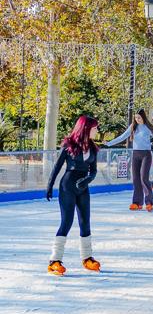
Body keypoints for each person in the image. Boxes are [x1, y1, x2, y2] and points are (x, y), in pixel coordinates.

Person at [46, 115, 101, 276]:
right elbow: (57, 167)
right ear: (86, 128)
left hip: (83, 188)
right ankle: (54, 260)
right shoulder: (68, 144)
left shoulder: (93, 148)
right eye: (94, 128)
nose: (97, 130)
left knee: (85, 222)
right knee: (67, 222)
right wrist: (49, 186)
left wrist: (88, 179)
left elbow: (94, 170)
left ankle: (87, 258)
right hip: (67, 187)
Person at [106, 108, 153, 211]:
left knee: (144, 178)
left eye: (139, 117)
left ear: (143, 117)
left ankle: (149, 202)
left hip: (146, 155)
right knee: (135, 179)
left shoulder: (148, 127)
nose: (137, 119)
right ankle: (137, 202)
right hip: (135, 154)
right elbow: (122, 137)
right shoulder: (133, 127)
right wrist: (108, 143)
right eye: (136, 118)